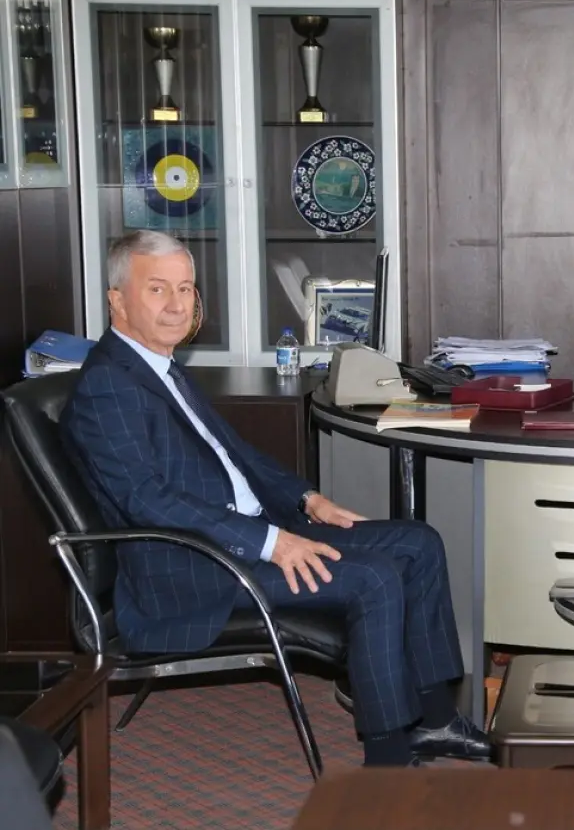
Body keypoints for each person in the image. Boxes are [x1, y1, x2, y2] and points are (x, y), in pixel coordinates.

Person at [60, 231, 490, 769]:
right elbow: (146, 499)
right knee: (374, 577)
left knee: (418, 543)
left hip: (242, 536)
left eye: (186, 288)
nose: (177, 305)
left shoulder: (157, 366)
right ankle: (388, 761)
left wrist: (307, 499)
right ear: (117, 300)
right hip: (191, 570)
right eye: (157, 289)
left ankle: (434, 721)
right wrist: (270, 543)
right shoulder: (107, 386)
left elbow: (234, 454)